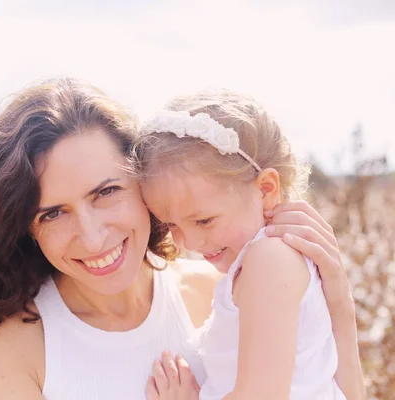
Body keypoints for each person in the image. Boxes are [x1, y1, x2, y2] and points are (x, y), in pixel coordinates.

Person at [0, 78, 363, 400]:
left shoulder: (219, 288)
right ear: (24, 225)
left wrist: (338, 307)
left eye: (106, 192)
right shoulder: (16, 343)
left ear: (144, 184)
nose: (93, 236)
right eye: (53, 213)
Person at [135, 90, 362, 399]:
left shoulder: (270, 258)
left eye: (204, 221)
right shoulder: (262, 262)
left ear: (266, 189)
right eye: (171, 224)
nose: (189, 242)